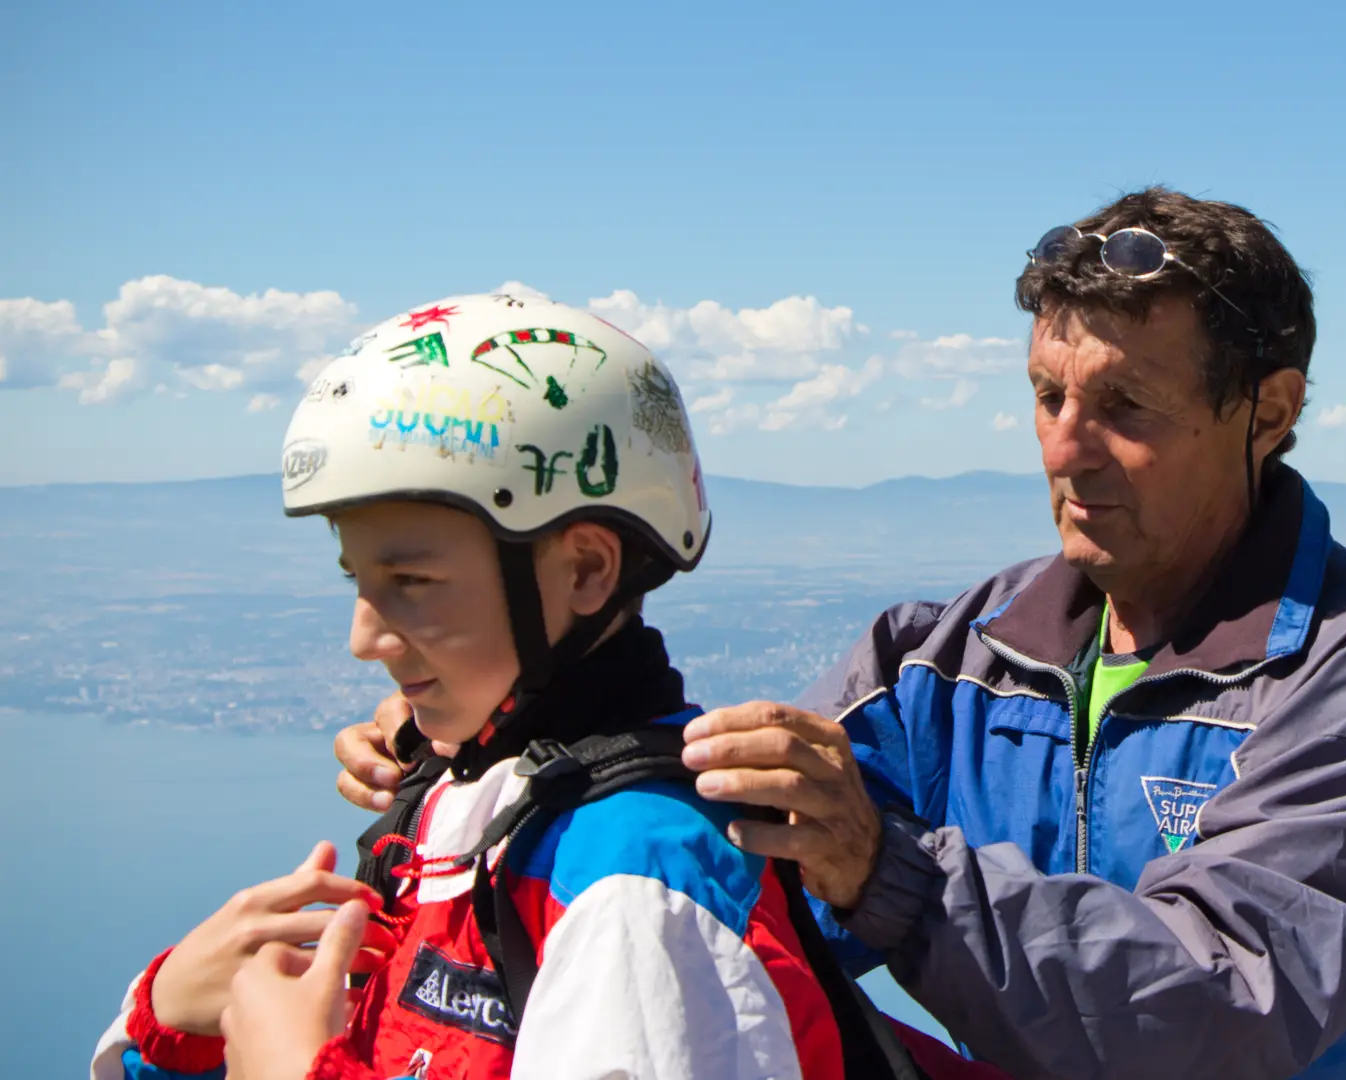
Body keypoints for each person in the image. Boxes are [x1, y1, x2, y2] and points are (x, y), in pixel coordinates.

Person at [340, 189, 1346, 1079]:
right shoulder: (951, 654)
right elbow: (740, 829)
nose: (1065, 445)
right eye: (1048, 397)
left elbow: (1230, 1005)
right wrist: (494, 726)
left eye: (1126, 408)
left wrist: (888, 873)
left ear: (1268, 410)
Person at [95, 293, 997, 1080]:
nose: (363, 637)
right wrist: (168, 1022)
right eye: (356, 581)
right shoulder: (468, 810)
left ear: (587, 572)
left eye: (411, 583)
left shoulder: (639, 882)